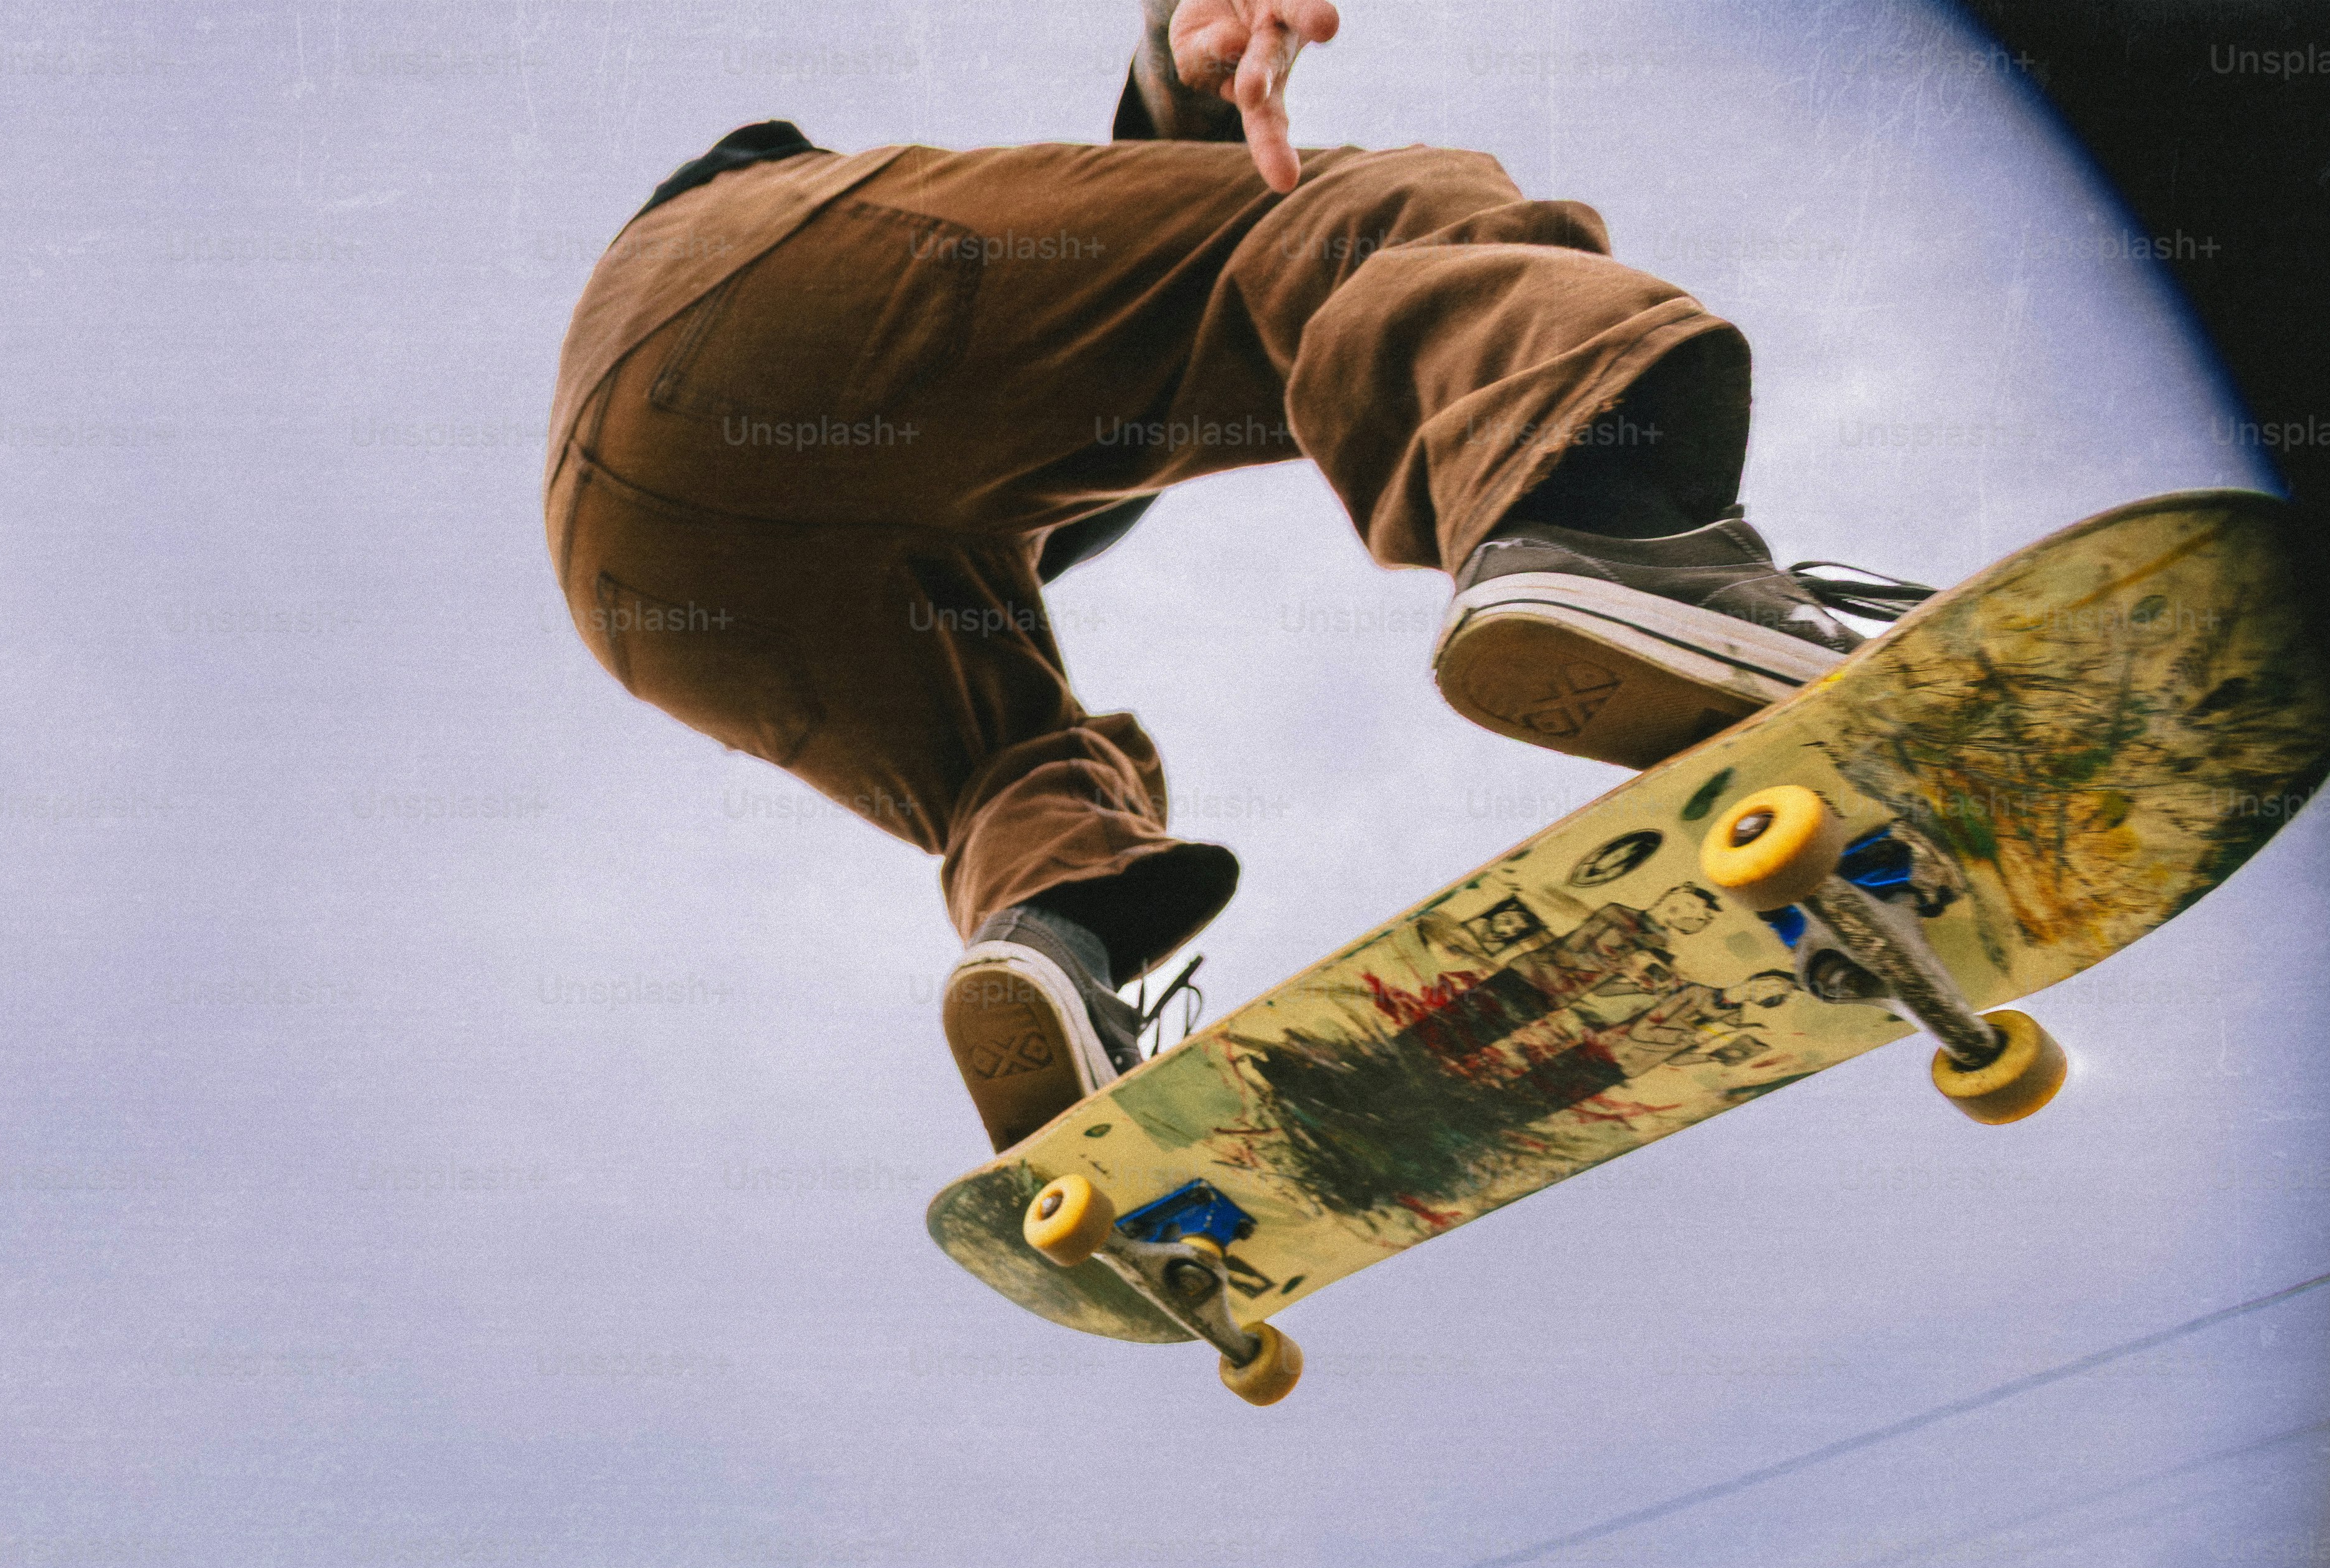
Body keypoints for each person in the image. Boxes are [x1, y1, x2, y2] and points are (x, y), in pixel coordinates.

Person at [542, 0, 1921, 1152]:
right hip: (735, 283)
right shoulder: (969, 391)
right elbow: (1151, 286)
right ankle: (1608, 525)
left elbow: (1091, 333)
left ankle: (1053, 953)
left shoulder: (986, 469)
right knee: (1372, 217)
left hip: (638, 582)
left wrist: (1172, 94)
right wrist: (1167, 71)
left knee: (1007, 766)